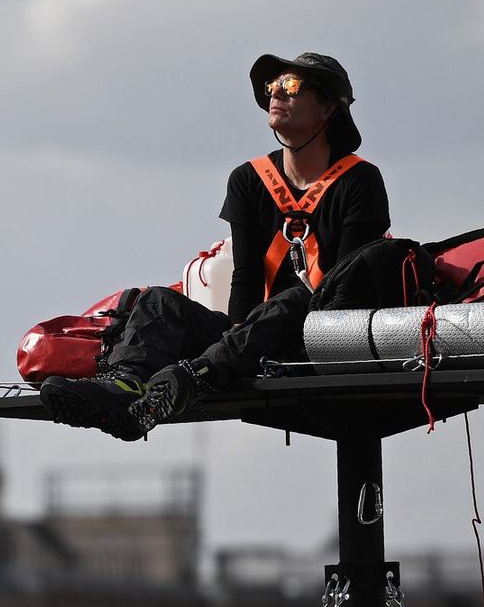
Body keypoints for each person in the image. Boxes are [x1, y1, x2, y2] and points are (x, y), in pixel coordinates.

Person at [40, 52, 391, 441]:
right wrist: (239, 338)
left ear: (328, 109)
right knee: (157, 301)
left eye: (292, 87)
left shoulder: (361, 181)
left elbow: (345, 288)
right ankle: (126, 388)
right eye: (273, 87)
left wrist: (252, 338)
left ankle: (192, 378)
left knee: (293, 301)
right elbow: (246, 277)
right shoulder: (249, 179)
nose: (277, 94)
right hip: (251, 341)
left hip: (317, 338)